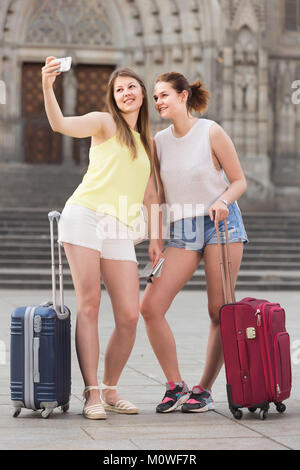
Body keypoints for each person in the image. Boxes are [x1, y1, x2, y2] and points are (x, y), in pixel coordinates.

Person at [42, 57, 162, 419]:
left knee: (128, 315)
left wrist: (157, 240)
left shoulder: (148, 143)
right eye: (119, 89)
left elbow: (151, 195)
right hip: (85, 217)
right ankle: (92, 393)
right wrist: (48, 86)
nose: (126, 93)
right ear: (113, 97)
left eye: (131, 86)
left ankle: (110, 388)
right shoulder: (104, 123)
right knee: (90, 304)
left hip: (119, 229)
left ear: (142, 93)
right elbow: (60, 123)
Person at [140, 72, 248, 413]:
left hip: (221, 223)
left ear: (184, 96)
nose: (158, 102)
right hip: (183, 228)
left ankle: (203, 389)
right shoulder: (158, 141)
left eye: (164, 95)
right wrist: (156, 240)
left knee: (219, 310)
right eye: (155, 97)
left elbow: (239, 180)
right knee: (150, 306)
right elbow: (155, 194)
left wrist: (223, 201)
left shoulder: (211, 131)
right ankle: (175, 385)